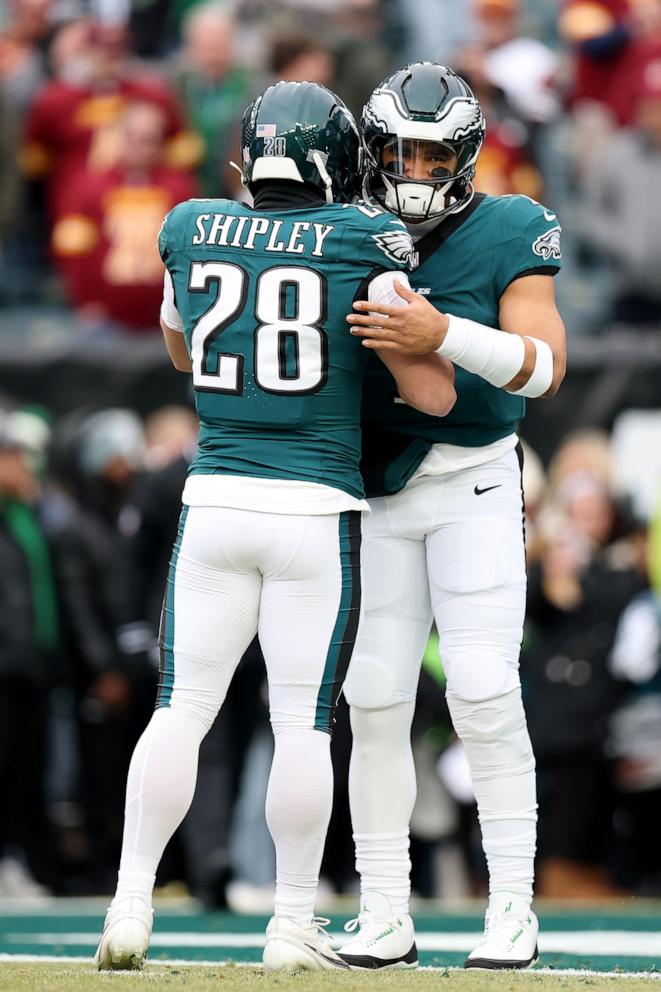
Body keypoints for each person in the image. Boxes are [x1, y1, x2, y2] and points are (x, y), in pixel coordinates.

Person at [94, 79, 456, 972]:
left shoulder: (189, 224)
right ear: (339, 162)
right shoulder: (363, 237)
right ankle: (291, 924)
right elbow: (414, 373)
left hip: (214, 498)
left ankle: (130, 904)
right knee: (301, 723)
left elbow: (184, 349)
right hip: (313, 506)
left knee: (181, 708)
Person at [336, 62, 566, 970]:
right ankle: (386, 911)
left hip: (472, 479)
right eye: (396, 149)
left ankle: (511, 907)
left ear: (465, 154)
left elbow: (544, 369)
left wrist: (443, 337)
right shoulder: (340, 227)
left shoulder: (510, 225)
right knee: (377, 699)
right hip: (371, 488)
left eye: (432, 152)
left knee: (480, 688)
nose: (412, 168)